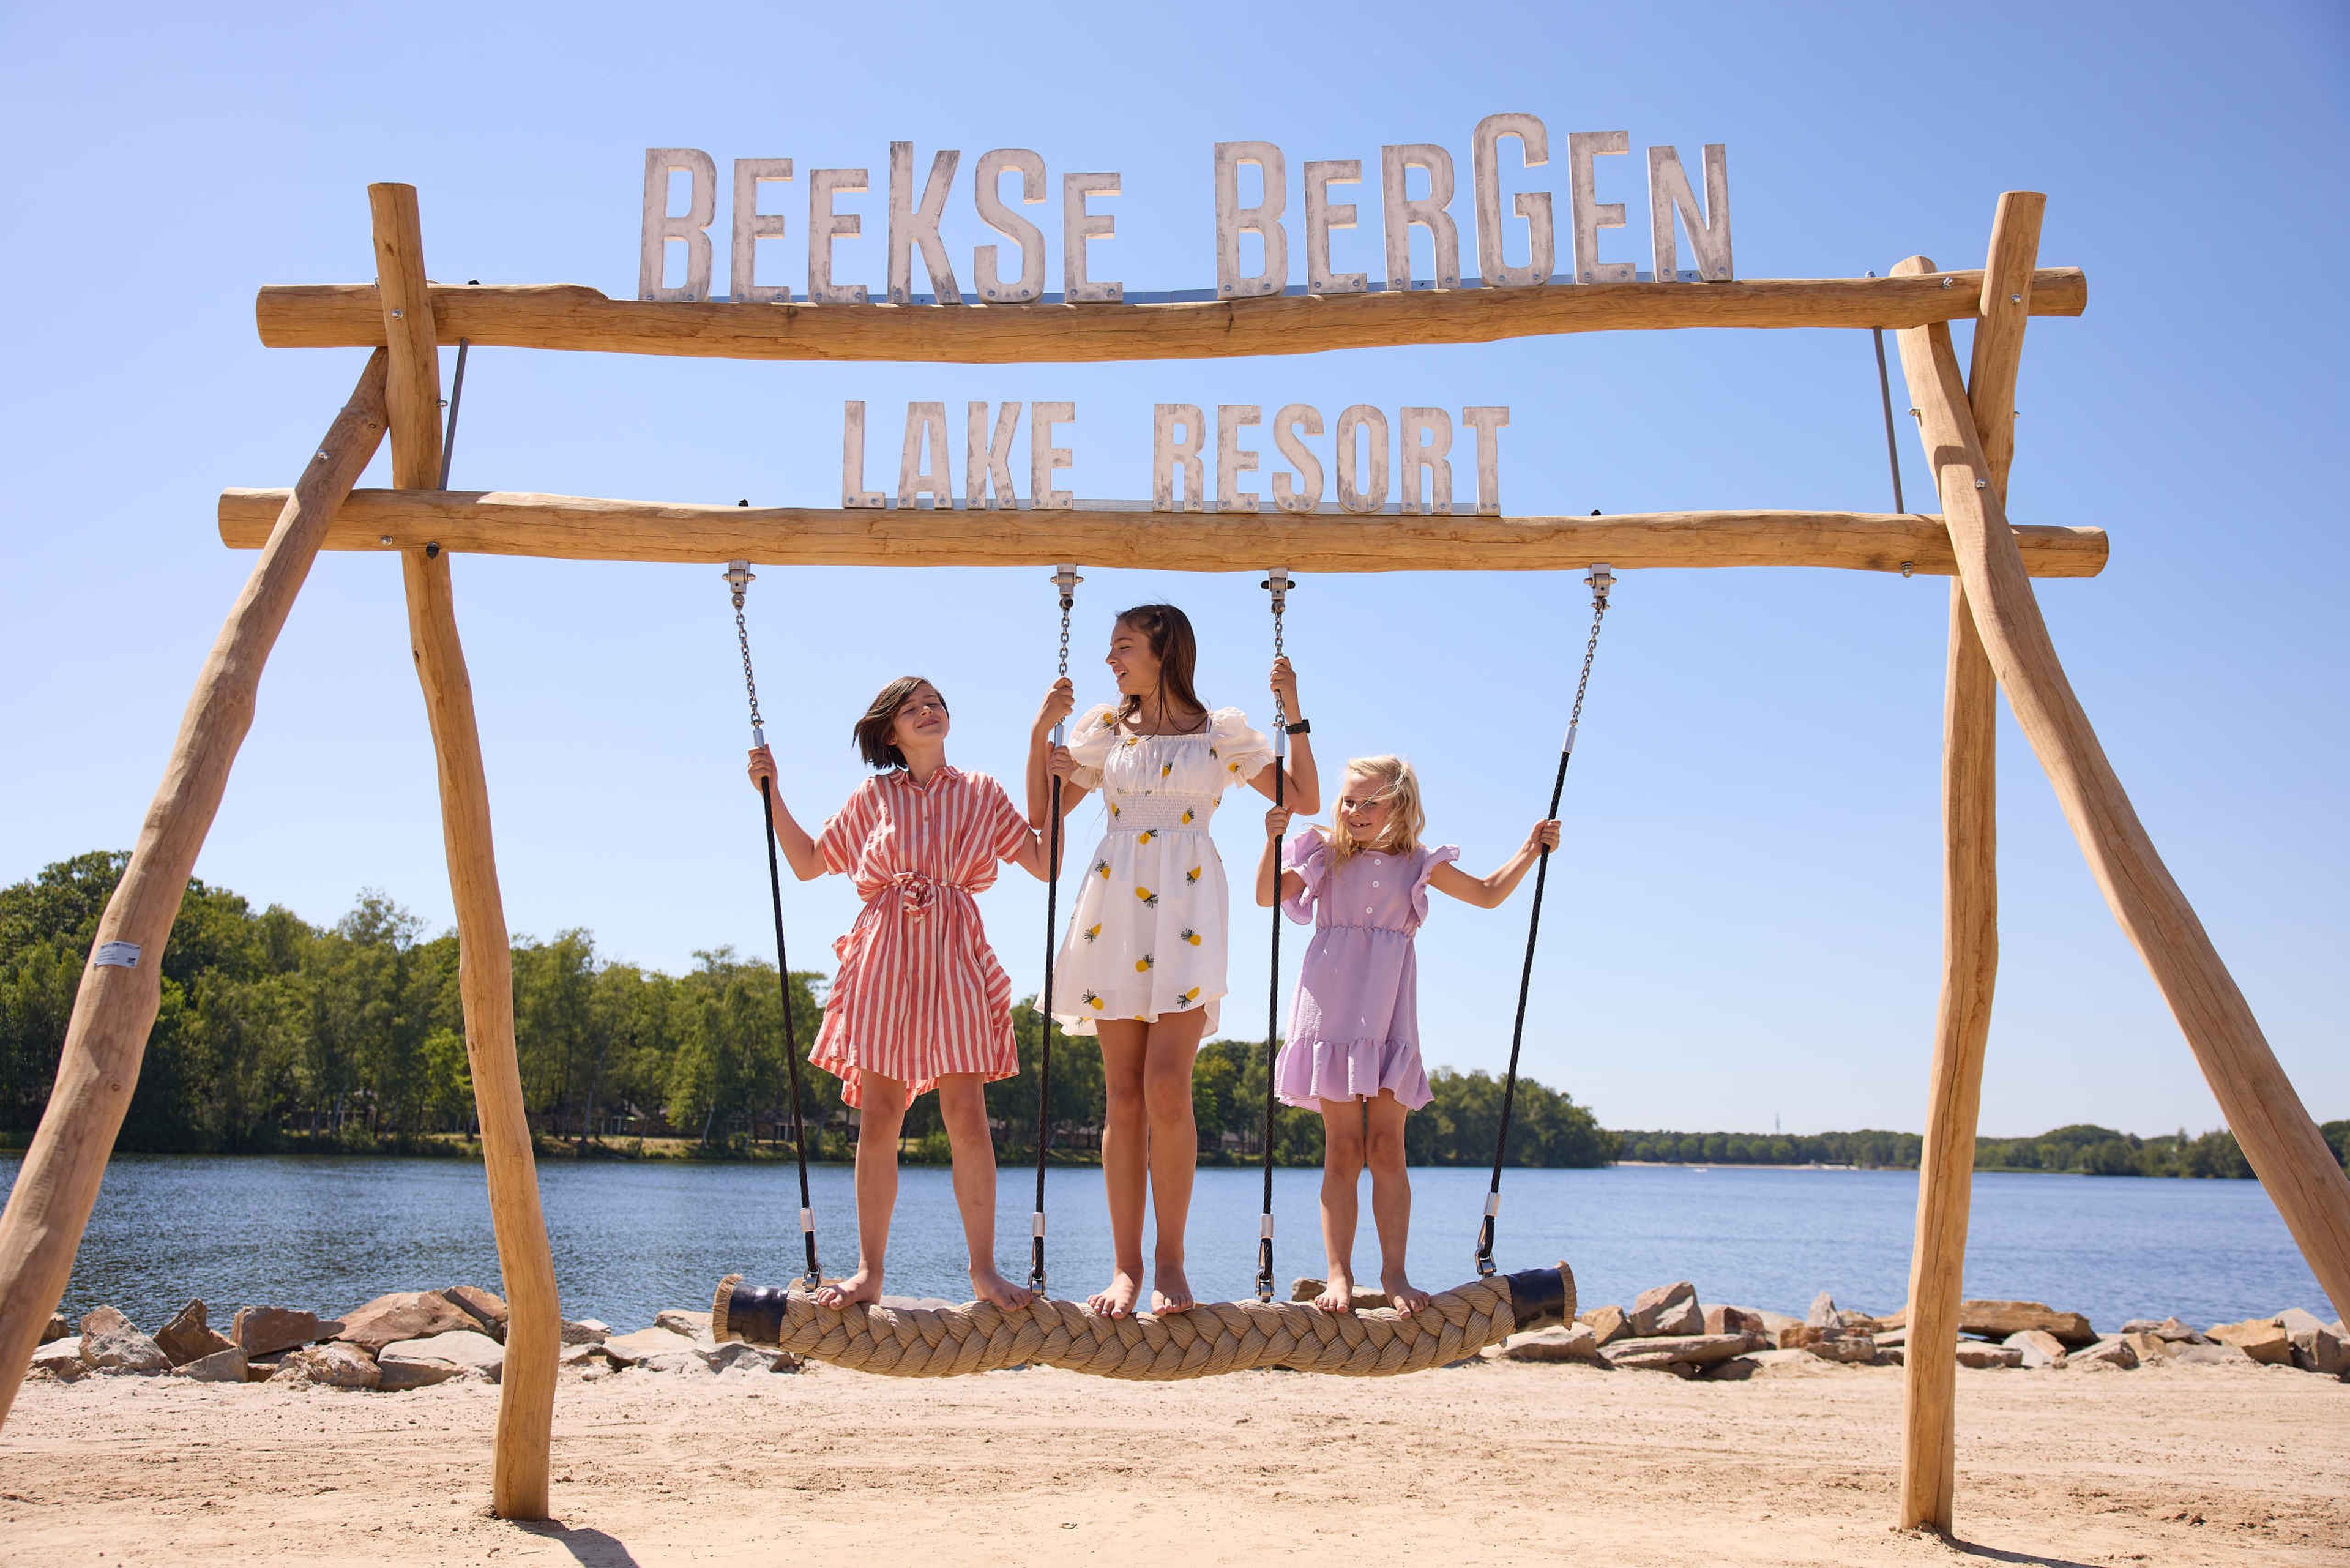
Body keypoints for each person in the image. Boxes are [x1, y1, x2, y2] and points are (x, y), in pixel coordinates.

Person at [1029, 603, 1318, 1317]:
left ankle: (1170, 1262)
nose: (1111, 660)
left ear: (1164, 650)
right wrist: (1043, 734)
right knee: (1123, 1093)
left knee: (1167, 1085)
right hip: (1115, 905)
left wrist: (1294, 709)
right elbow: (1043, 814)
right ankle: (1125, 1268)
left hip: (1189, 909)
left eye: (1122, 646)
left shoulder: (1220, 734)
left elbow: (1304, 797)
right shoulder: (1104, 731)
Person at [748, 675, 1048, 1310]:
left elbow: (1045, 861)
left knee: (966, 1114)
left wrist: (1052, 774)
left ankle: (984, 1272)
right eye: (912, 708)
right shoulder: (873, 796)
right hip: (885, 953)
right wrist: (772, 793)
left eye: (935, 701)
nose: (928, 710)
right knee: (881, 1115)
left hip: (955, 953)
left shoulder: (982, 793)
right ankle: (869, 1273)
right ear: (890, 731)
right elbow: (806, 862)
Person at [1256, 754, 1559, 1315]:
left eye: (1370, 801)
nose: (1356, 811)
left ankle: (1394, 1273)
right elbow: (1268, 895)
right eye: (1349, 800)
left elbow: (1489, 893)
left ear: (1401, 804)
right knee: (1342, 1149)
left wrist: (1530, 849)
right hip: (1331, 1015)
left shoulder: (1419, 863)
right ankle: (1338, 1276)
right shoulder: (1324, 852)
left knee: (1387, 1147)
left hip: (1390, 1018)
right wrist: (1272, 842)